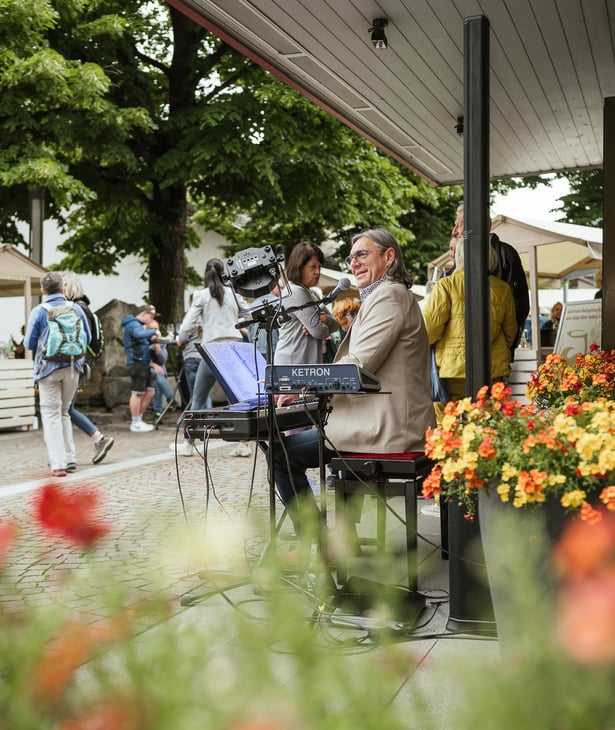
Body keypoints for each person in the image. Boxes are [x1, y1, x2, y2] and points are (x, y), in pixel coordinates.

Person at [273, 229, 434, 545]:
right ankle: (339, 537)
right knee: (300, 441)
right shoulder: (384, 295)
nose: (354, 263)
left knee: (281, 453)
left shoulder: (389, 296)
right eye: (351, 257)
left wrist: (301, 384)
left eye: (363, 254)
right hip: (381, 416)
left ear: (389, 257)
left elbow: (357, 368)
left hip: (387, 426)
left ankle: (319, 544)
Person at [423, 238, 518, 423]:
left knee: (450, 427)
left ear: (459, 256)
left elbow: (428, 330)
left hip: (453, 372)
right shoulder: (503, 289)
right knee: (487, 425)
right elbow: (510, 332)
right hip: (492, 370)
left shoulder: (446, 285)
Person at [175, 259, 251, 457]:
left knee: (198, 398)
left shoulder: (201, 295)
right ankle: (243, 443)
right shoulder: (233, 293)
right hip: (234, 348)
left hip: (212, 350)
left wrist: (181, 339)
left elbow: (187, 325)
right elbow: (248, 315)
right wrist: (236, 324)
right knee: (237, 398)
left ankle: (188, 444)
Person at [24, 271, 91, 477]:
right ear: (63, 289)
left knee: (51, 414)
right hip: (73, 367)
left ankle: (58, 464)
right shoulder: (76, 308)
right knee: (64, 412)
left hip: (48, 369)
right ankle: (70, 458)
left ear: (43, 290)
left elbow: (29, 343)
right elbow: (86, 338)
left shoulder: (39, 311)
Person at [452, 204, 530, 354]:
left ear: (474, 226)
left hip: (495, 352)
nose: (454, 232)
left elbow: (520, 305)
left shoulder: (506, 254)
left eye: (459, 225)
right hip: (464, 350)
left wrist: (504, 343)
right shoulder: (461, 256)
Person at [62, 272, 115, 465]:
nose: (62, 287)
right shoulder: (84, 307)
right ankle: (97, 440)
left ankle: (96, 440)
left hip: (78, 363)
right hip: (84, 363)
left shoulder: (76, 308)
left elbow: (79, 339)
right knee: (66, 408)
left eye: (65, 284)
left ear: (72, 287)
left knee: (64, 409)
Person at [273, 242, 338, 365]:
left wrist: (324, 319)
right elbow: (318, 331)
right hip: (292, 364)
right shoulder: (295, 292)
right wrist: (321, 325)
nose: (318, 272)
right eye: (313, 267)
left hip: (304, 364)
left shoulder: (313, 293)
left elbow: (336, 324)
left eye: (319, 267)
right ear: (300, 267)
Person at [121, 305, 160, 433]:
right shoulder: (133, 324)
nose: (151, 320)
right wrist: (153, 331)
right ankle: (135, 422)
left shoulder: (137, 324)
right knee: (137, 393)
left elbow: (141, 340)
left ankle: (139, 419)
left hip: (143, 362)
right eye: (151, 316)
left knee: (150, 392)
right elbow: (138, 335)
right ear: (143, 313)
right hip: (137, 362)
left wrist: (150, 339)